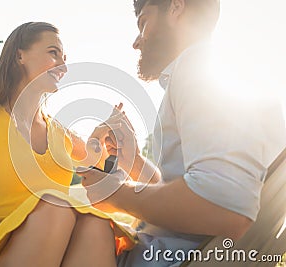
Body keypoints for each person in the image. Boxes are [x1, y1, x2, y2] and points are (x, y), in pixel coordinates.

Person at [77, 0, 286, 266]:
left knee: (58, 219)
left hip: (165, 258)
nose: (137, 42)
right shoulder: (234, 78)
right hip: (186, 252)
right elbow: (194, 199)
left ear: (176, 8)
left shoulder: (201, 69)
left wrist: (116, 194)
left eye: (143, 23)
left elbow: (222, 205)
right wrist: (134, 163)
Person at [0, 22, 133, 267]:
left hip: (58, 247)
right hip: (6, 244)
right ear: (19, 56)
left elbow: (93, 159)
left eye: (64, 57)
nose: (63, 66)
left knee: (96, 224)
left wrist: (101, 134)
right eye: (53, 53)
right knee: (55, 206)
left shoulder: (60, 133)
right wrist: (27, 226)